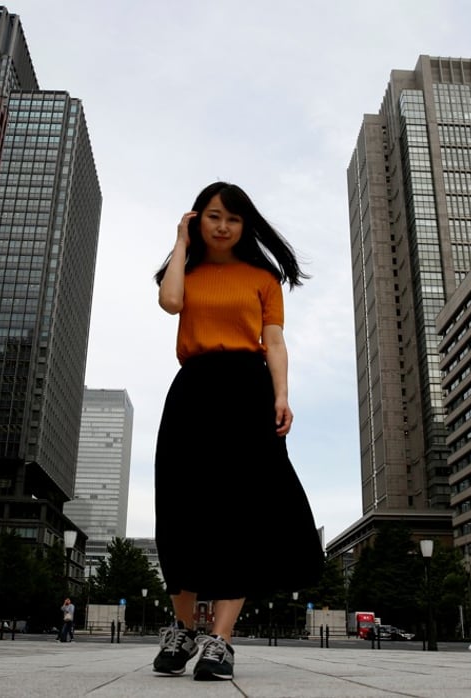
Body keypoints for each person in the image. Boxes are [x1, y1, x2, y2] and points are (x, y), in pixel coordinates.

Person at [151, 182, 324, 681]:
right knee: (179, 506)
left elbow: (274, 340)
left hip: (248, 390)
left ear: (245, 225)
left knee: (240, 512)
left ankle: (220, 641)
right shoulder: (184, 270)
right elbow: (170, 303)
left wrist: (281, 395)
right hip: (193, 389)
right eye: (213, 216)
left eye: (232, 218)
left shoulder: (263, 278)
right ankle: (183, 629)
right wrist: (180, 243)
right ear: (197, 219)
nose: (223, 226)